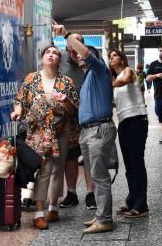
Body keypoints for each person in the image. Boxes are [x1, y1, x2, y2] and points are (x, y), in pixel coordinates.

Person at [53, 20, 116, 234]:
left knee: (99, 176)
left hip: (98, 130)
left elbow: (86, 53)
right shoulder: (89, 76)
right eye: (74, 53)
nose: (77, 55)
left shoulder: (98, 70)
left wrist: (66, 35)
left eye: (82, 54)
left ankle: (105, 219)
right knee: (95, 174)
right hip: (88, 131)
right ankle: (100, 215)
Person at [11, 46, 79, 230]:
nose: (51, 54)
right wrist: (17, 112)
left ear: (59, 60)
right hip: (39, 131)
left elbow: (73, 110)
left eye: (55, 53)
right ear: (42, 58)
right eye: (48, 52)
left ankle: (53, 206)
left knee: (59, 167)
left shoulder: (67, 82)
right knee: (44, 169)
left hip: (61, 129)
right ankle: (39, 213)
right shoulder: (31, 79)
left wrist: (65, 100)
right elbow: (21, 101)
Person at [52, 33, 96, 210]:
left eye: (76, 48)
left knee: (88, 156)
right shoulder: (60, 58)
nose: (73, 52)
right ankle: (71, 193)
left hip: (87, 115)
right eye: (70, 48)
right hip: (67, 116)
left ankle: (91, 193)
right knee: (70, 156)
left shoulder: (90, 61)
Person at [109, 50, 149, 218]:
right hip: (124, 121)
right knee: (129, 165)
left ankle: (141, 206)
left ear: (122, 59)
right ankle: (132, 201)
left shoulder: (128, 71)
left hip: (137, 120)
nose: (112, 58)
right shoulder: (114, 81)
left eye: (115, 56)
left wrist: (107, 83)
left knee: (136, 163)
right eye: (110, 57)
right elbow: (113, 104)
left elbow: (124, 81)